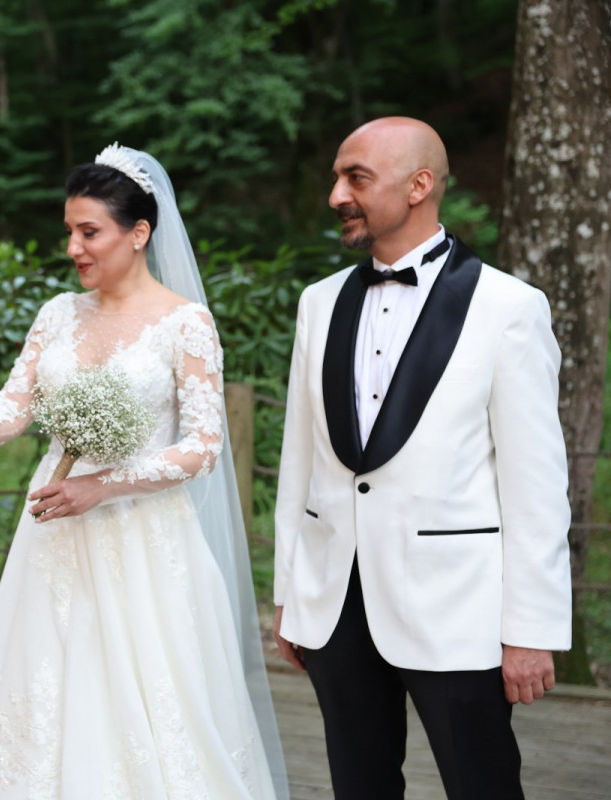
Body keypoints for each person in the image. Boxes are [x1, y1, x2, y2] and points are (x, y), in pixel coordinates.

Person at [0, 144, 287, 799]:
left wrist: (102, 487)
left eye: (89, 232)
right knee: (46, 680)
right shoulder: (58, 314)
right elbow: (11, 413)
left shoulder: (185, 323)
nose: (74, 247)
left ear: (139, 232)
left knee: (144, 691)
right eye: (69, 231)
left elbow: (202, 447)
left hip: (144, 540)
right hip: (55, 534)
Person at [272, 117, 571, 799]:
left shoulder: (509, 307)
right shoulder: (319, 303)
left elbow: (535, 484)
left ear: (419, 186)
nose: (336, 196)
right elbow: (301, 461)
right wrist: (291, 592)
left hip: (456, 609)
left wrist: (531, 629)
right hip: (336, 604)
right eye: (336, 177)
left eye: (356, 178)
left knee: (483, 786)